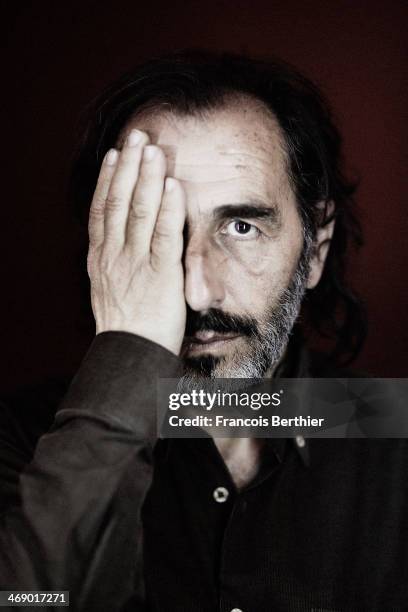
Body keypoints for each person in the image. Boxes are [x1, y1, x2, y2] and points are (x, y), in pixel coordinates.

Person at [0, 50, 407, 611]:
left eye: (241, 227)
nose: (195, 291)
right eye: (158, 230)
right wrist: (129, 356)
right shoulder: (20, 440)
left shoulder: (392, 437)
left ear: (317, 248)